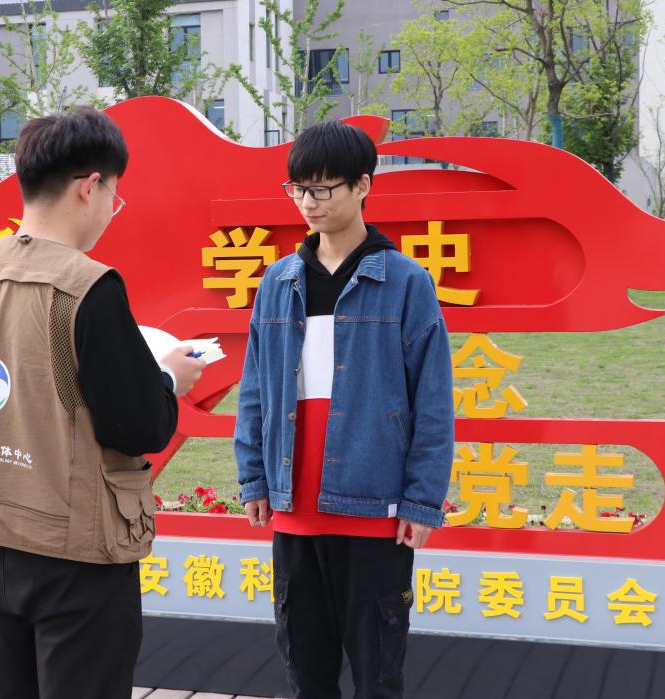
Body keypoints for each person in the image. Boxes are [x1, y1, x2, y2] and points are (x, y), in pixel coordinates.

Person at [0, 106, 205, 698]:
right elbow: (139, 426)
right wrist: (168, 377)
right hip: (74, 553)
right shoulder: (89, 285)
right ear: (91, 187)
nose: (111, 208)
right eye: (115, 196)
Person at [234, 120, 454, 698]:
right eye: (298, 188)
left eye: (323, 188)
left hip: (374, 508)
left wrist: (422, 500)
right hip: (294, 510)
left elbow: (432, 401)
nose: (308, 202)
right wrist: (254, 478)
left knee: (378, 676)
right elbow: (255, 389)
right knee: (306, 673)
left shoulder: (406, 282)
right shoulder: (278, 282)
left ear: (363, 186)